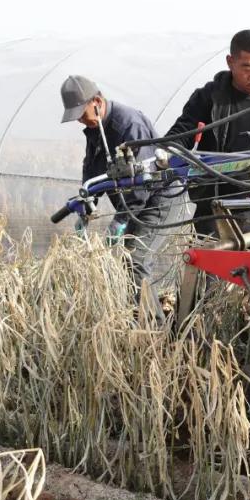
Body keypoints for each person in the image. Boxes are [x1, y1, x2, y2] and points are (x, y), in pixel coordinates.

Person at [60, 74, 176, 320]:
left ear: (97, 101)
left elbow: (145, 178)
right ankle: (138, 315)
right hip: (135, 202)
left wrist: (121, 219)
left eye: (83, 113)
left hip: (160, 197)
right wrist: (87, 202)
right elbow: (93, 168)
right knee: (129, 260)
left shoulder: (128, 124)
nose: (81, 119)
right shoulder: (95, 127)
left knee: (135, 258)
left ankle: (154, 330)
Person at [165, 30, 250, 237]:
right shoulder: (210, 98)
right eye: (247, 67)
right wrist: (166, 152)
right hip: (218, 210)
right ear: (230, 62)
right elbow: (181, 135)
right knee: (213, 268)